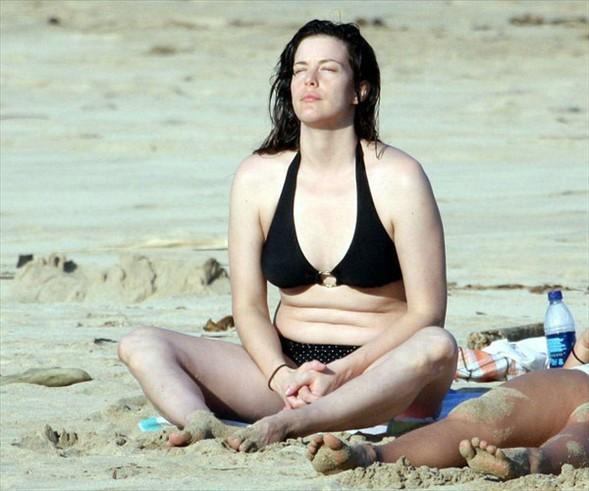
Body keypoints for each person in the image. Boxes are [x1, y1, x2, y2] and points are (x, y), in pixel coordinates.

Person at [117, 19, 458, 449]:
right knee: (142, 344)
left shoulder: (399, 177)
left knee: (437, 345)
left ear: (360, 90)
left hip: (381, 374)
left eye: (328, 69)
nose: (310, 80)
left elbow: (427, 312)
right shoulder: (257, 177)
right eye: (300, 70)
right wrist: (281, 376)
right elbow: (248, 307)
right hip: (289, 373)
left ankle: (291, 425)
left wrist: (340, 374)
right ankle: (200, 424)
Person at [307, 329, 589, 480]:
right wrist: (581, 350)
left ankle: (538, 461)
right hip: (579, 379)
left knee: (583, 426)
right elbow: (570, 367)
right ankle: (373, 455)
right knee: (478, 416)